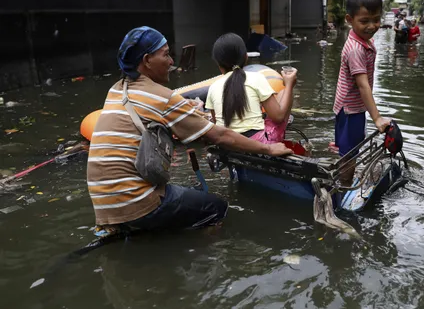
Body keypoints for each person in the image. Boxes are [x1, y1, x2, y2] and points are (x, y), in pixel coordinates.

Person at [87, 26, 292, 232]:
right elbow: (219, 135)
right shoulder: (162, 96)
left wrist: (189, 113)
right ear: (147, 60)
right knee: (216, 207)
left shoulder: (116, 89)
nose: (171, 62)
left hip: (104, 208)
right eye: (166, 55)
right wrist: (269, 149)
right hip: (136, 203)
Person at [334, 0, 391, 186]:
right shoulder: (356, 50)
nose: (372, 26)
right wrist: (377, 118)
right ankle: (344, 186)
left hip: (352, 107)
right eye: (364, 21)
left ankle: (345, 178)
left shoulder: (362, 41)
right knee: (349, 152)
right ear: (349, 20)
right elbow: (363, 85)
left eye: (376, 19)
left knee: (350, 148)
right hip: (351, 110)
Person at [206, 33, 297, 144]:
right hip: (257, 144)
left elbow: (218, 125)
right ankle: (277, 142)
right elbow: (278, 117)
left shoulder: (213, 87)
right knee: (284, 92)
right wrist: (289, 85)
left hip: (227, 144)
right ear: (246, 57)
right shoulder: (257, 78)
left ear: (219, 65)